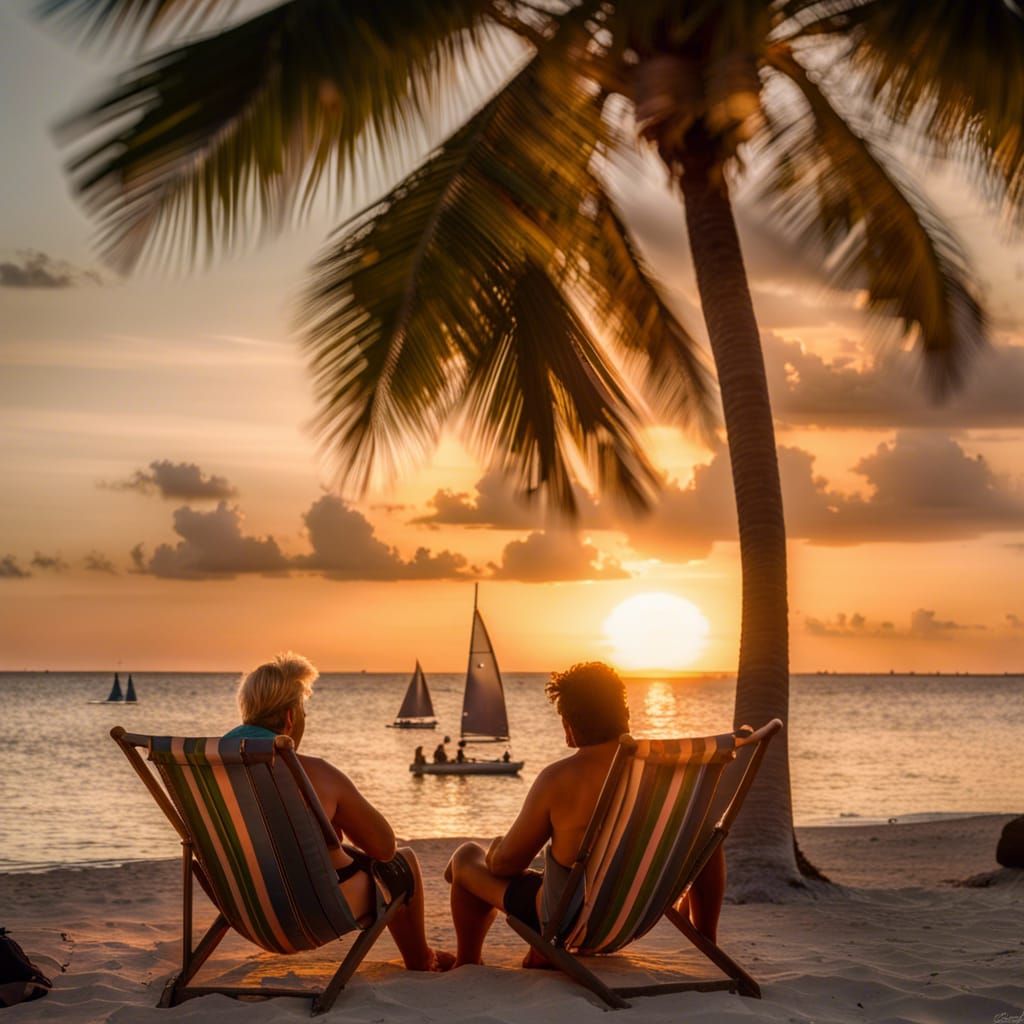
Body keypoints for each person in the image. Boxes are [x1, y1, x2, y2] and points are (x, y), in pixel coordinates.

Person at [444, 661, 726, 968]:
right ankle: (707, 937)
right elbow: (708, 844)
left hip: (567, 923)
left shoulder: (559, 778)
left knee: (466, 858)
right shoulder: (671, 775)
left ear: (569, 726)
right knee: (708, 832)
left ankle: (468, 962)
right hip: (633, 918)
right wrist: (703, 930)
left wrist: (496, 850)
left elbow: (505, 865)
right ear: (626, 714)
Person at [224, 653, 453, 972]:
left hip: (243, 909)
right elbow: (384, 847)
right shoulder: (315, 774)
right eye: (303, 712)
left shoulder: (210, 773)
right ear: (290, 717)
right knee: (404, 863)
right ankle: (421, 959)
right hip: (307, 917)